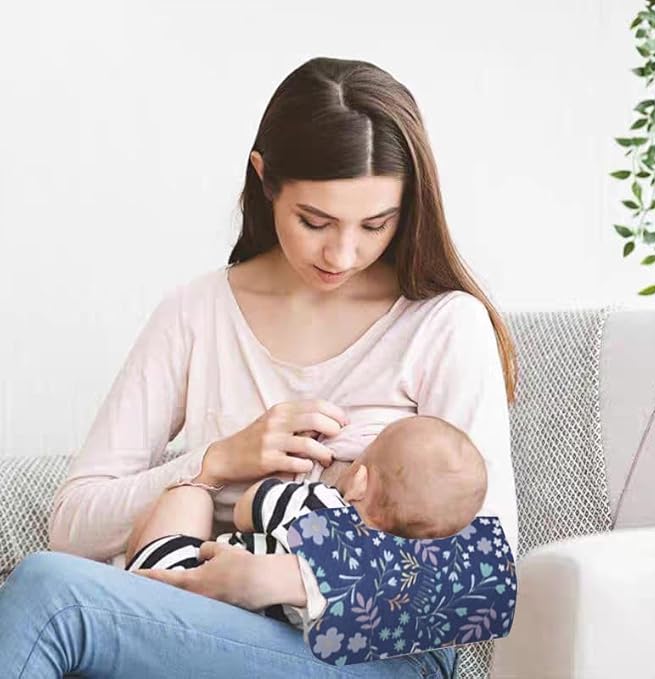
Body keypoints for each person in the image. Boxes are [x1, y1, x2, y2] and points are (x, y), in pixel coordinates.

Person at [0, 56, 518, 678]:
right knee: (52, 586)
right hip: (203, 624)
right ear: (265, 179)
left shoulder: (443, 324)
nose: (343, 253)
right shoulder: (196, 312)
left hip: (373, 652)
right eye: (315, 221)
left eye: (376, 224)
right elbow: (73, 526)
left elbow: (486, 578)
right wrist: (215, 462)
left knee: (54, 600)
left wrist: (278, 578)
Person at [123, 414, 488, 631]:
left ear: (360, 481)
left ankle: (131, 582)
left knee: (188, 495)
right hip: (262, 630)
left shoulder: (320, 506)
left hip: (187, 585)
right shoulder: (373, 592)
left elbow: (245, 510)